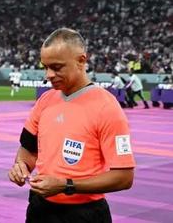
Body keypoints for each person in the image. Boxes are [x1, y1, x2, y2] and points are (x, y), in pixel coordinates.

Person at [8, 28, 135, 223]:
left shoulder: (106, 107)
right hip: (39, 208)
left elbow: (124, 177)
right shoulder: (45, 100)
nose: (48, 74)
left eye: (57, 67)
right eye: (45, 67)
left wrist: (67, 185)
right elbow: (28, 148)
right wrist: (21, 166)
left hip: (85, 213)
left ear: (81, 60)